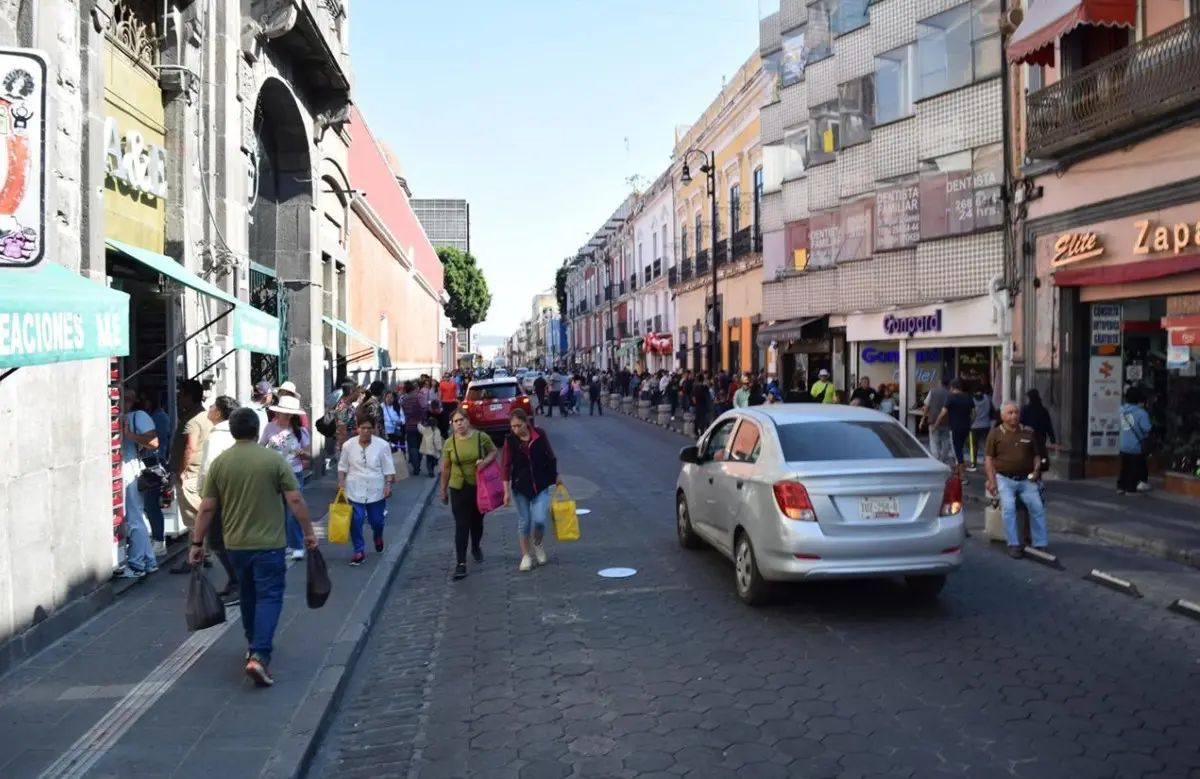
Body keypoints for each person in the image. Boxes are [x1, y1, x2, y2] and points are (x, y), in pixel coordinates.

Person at [191, 407, 318, 687]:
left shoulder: (221, 463)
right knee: (270, 596)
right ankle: (259, 654)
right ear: (256, 430)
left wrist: (197, 543)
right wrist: (308, 532)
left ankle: (252, 644)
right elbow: (295, 500)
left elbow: (207, 507)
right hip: (270, 543)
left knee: (248, 595)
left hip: (235, 544)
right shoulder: (272, 461)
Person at [985, 401, 1049, 558]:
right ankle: (1013, 544)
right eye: (1010, 413)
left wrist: (1036, 470)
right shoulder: (995, 434)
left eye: (1016, 412)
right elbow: (988, 458)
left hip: (1026, 480)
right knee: (1008, 508)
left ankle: (1040, 544)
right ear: (1002, 416)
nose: (1014, 415)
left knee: (1037, 507)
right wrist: (991, 480)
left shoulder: (1028, 432)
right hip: (1004, 479)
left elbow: (1036, 455)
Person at [439, 409, 498, 580]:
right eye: (455, 421)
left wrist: (485, 462)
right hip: (458, 487)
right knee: (461, 525)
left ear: (468, 421)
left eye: (461, 420)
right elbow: (446, 467)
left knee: (477, 522)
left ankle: (476, 546)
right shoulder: (450, 443)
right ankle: (461, 563)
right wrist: (443, 490)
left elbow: (493, 452)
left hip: (479, 487)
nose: (459, 424)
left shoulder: (480, 437)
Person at [501, 409, 561, 572]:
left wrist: (555, 475)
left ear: (526, 423)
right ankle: (526, 555)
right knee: (525, 521)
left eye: (519, 425)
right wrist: (505, 491)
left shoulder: (539, 434)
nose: (516, 429)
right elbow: (505, 467)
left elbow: (550, 455)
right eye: (513, 426)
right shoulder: (510, 441)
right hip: (520, 486)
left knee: (540, 519)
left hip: (540, 484)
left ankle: (537, 544)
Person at [197, 395, 241, 604]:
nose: (210, 407)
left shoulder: (216, 437)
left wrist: (204, 493)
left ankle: (238, 581)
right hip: (238, 494)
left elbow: (208, 469)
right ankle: (235, 581)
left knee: (217, 540)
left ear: (219, 413)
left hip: (220, 495)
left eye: (213, 405)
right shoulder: (235, 433)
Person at [338, 415, 396, 566]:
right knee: (355, 520)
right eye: (363, 428)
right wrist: (341, 483)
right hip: (354, 488)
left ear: (374, 429)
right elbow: (342, 467)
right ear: (357, 428)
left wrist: (388, 485)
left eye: (369, 429)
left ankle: (378, 536)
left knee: (376, 521)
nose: (366, 431)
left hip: (376, 490)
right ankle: (359, 551)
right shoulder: (348, 445)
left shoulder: (382, 445)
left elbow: (389, 468)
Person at [259, 394, 312, 560]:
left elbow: (309, 455)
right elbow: (260, 447)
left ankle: (296, 545)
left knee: (294, 510)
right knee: (277, 511)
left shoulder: (300, 431)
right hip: (273, 475)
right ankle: (281, 544)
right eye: (284, 412)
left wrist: (303, 453)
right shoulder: (269, 428)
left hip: (293, 474)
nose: (287, 416)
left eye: (290, 413)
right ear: (278, 413)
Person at [170, 379, 213, 574]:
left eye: (181, 394)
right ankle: (206, 553)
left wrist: (181, 471)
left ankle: (194, 557)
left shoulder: (193, 420)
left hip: (190, 475)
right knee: (200, 515)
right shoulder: (205, 416)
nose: (178, 398)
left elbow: (190, 447)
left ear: (188, 396)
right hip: (200, 472)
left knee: (192, 520)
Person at [120, 387, 160, 578]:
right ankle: (148, 560)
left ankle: (136, 564)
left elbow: (154, 442)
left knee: (134, 518)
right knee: (137, 517)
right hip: (126, 468)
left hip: (130, 468)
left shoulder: (138, 416)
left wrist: (129, 435)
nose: (124, 401)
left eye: (127, 398)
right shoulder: (127, 416)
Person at [936, 379, 975, 482]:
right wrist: (971, 422)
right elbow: (974, 413)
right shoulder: (968, 399)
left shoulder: (951, 399)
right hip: (966, 427)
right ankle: (957, 472)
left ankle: (962, 476)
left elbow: (942, 413)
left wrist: (936, 424)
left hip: (955, 428)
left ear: (952, 388)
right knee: (960, 449)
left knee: (957, 451)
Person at [1118, 387, 1152, 495]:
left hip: (1123, 444)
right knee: (1135, 468)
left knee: (1125, 467)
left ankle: (1121, 487)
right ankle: (1131, 488)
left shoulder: (1121, 410)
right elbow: (1146, 428)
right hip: (1136, 446)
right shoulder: (1141, 413)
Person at [921, 377, 952, 466]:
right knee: (945, 441)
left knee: (934, 442)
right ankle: (943, 459)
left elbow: (926, 406)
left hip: (933, 420)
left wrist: (922, 420)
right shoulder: (950, 393)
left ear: (940, 383)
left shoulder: (933, 391)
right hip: (946, 422)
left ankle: (936, 460)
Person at [969, 385, 996, 472]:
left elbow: (969, 414)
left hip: (974, 427)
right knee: (986, 445)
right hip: (986, 425)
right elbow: (993, 413)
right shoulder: (988, 399)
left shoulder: (971, 400)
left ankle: (973, 464)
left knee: (973, 446)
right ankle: (988, 462)